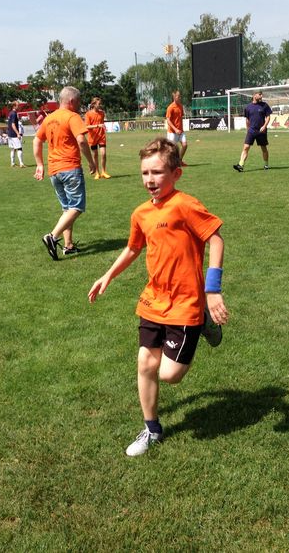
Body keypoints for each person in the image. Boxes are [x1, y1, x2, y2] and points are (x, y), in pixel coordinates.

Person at [88, 137, 229, 456]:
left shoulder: (185, 205)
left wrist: (212, 289)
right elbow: (133, 248)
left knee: (169, 374)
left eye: (157, 172)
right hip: (153, 301)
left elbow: (216, 239)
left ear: (176, 174)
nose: (150, 180)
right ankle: (152, 429)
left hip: (186, 303)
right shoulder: (140, 213)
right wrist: (107, 275)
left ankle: (204, 320)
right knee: (145, 363)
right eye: (145, 173)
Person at [33, 86, 97, 259]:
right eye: (79, 102)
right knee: (76, 207)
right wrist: (91, 162)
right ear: (72, 101)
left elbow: (36, 140)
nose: (80, 105)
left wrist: (39, 164)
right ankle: (52, 237)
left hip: (54, 171)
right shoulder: (72, 117)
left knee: (67, 209)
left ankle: (68, 246)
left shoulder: (49, 118)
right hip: (70, 168)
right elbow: (82, 141)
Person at [233, 91, 273, 172]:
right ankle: (240, 165)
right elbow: (247, 120)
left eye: (261, 94)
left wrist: (264, 126)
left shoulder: (264, 105)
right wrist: (248, 130)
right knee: (246, 147)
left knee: (263, 148)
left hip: (261, 131)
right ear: (254, 95)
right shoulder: (248, 107)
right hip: (251, 130)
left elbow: (268, 117)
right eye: (259, 94)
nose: (261, 96)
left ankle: (266, 165)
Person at [85, 96, 109, 179]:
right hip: (93, 138)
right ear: (94, 104)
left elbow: (102, 123)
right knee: (95, 155)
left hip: (101, 136)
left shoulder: (102, 113)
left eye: (100, 104)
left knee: (103, 153)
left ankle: (104, 172)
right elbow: (87, 126)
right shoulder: (88, 114)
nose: (100, 105)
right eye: (99, 104)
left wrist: (103, 126)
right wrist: (98, 125)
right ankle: (97, 173)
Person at [165, 90, 187, 163]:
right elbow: (168, 120)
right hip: (172, 132)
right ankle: (166, 162)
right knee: (171, 149)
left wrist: (180, 128)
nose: (180, 98)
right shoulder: (170, 107)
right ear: (174, 97)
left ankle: (179, 161)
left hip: (180, 131)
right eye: (178, 96)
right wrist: (175, 129)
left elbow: (180, 118)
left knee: (185, 145)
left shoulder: (181, 106)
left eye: (180, 96)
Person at [7, 101, 27, 167]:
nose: (19, 106)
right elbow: (13, 124)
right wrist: (18, 133)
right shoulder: (14, 113)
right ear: (14, 106)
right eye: (17, 105)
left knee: (13, 149)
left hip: (10, 134)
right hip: (14, 134)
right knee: (19, 148)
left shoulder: (10, 113)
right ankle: (21, 163)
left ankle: (12, 163)